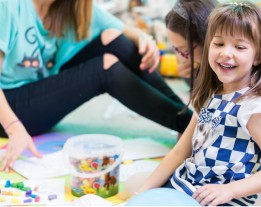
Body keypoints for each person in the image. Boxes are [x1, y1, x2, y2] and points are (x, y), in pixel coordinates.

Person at [0, 0, 193, 171]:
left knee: (113, 38)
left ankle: (187, 119)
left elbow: (124, 31)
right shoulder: (8, 6)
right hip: (9, 111)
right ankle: (189, 125)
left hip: (36, 91)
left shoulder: (70, 6)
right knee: (105, 67)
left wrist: (145, 40)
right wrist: (14, 128)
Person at [138, 1, 261, 205]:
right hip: (188, 184)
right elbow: (179, 152)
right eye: (218, 44)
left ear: (259, 56)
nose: (226, 52)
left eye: (239, 47)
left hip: (221, 199)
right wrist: (142, 192)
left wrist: (230, 190)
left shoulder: (253, 107)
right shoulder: (208, 94)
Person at [165, 0, 261, 162]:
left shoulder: (253, 57)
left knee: (234, 98)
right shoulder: (229, 57)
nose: (180, 58)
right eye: (176, 50)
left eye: (184, 52)